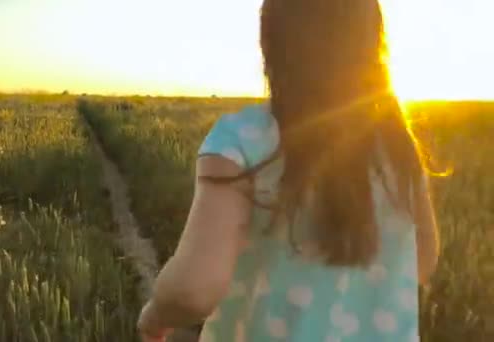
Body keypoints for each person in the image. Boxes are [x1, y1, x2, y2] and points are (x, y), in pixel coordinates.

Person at [137, 0, 440, 341]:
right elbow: (423, 260)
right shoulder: (397, 149)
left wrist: (154, 315)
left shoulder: (240, 140)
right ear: (374, 46)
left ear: (271, 46)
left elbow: (193, 290)